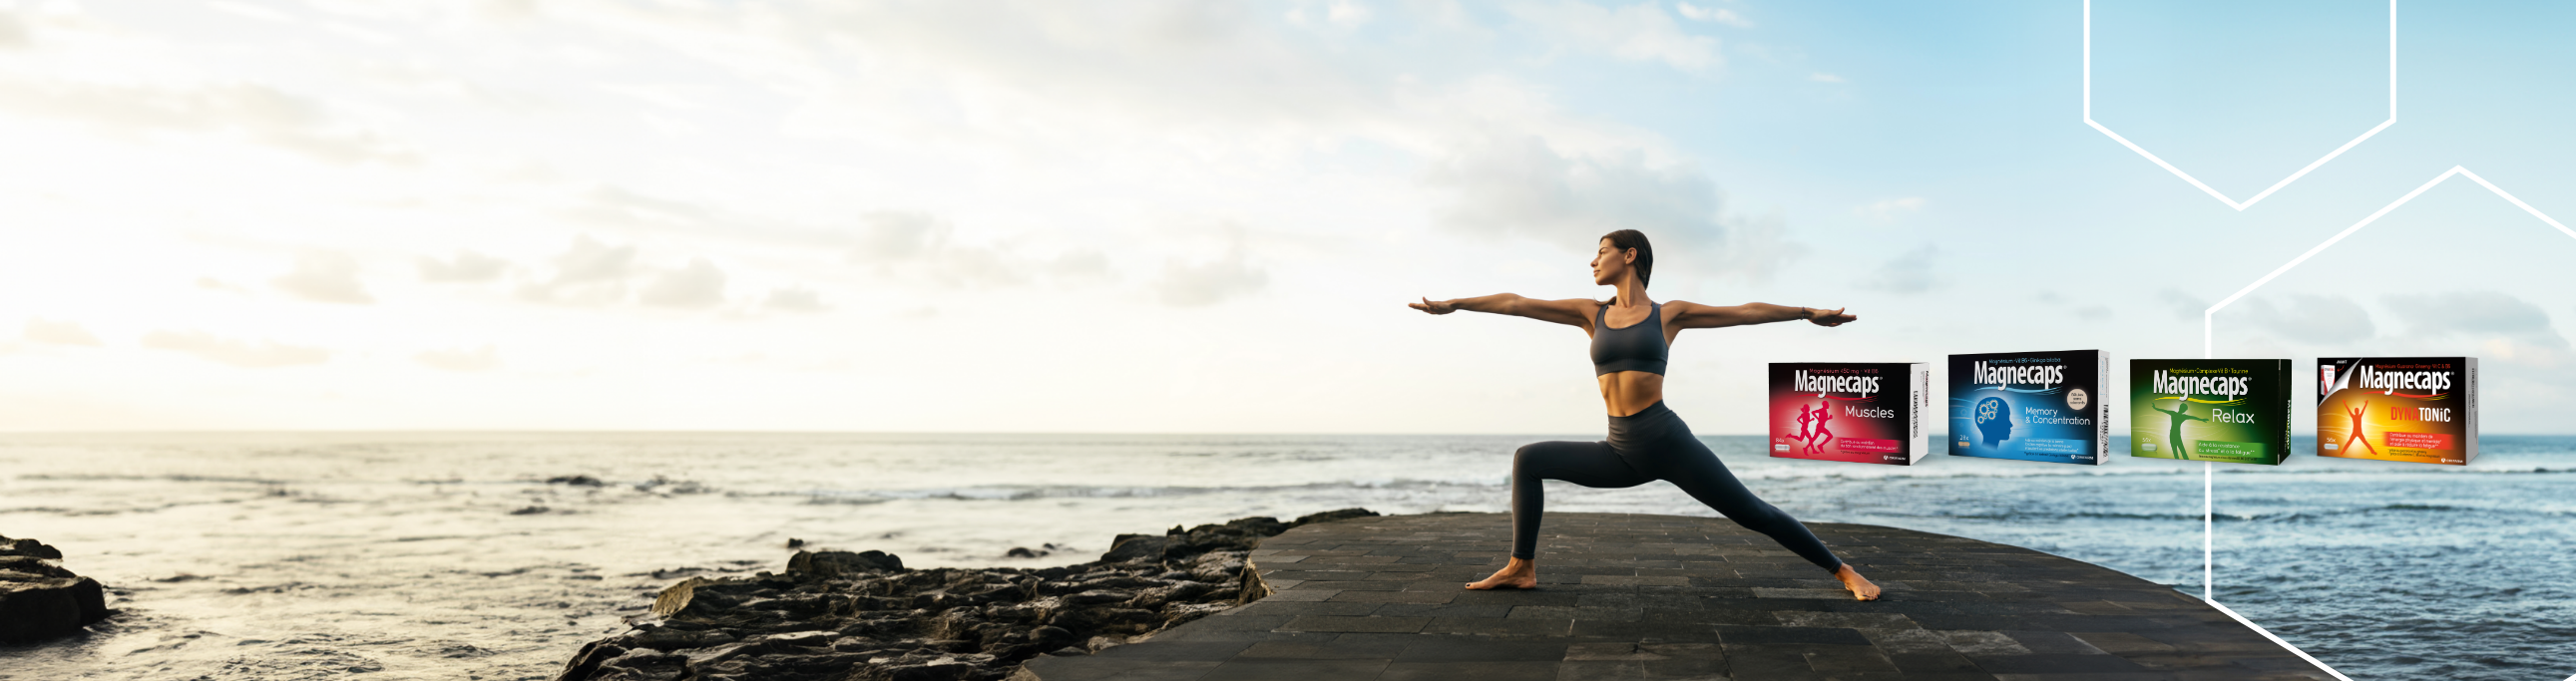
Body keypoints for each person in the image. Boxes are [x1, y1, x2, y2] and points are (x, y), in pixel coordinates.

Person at [1408, 229, 1880, 600]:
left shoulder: (1668, 314)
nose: (1593, 261)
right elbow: (1516, 302)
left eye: (1601, 251)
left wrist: (1805, 313)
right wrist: (1456, 304)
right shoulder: (1589, 313)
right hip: (1620, 448)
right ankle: (1520, 568)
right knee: (1528, 459)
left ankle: (1845, 571)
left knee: (1753, 513)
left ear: (1629, 255)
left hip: (1668, 443)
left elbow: (1743, 311)